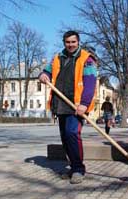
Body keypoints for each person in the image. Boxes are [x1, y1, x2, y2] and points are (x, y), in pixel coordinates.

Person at [38, 30, 97, 184]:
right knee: (65, 138)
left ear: (78, 42)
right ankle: (72, 168)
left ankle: (78, 169)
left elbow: (90, 84)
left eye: (73, 42)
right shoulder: (57, 58)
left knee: (72, 134)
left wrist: (84, 104)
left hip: (76, 105)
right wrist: (44, 75)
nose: (70, 45)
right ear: (64, 42)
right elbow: (47, 72)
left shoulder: (87, 59)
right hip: (60, 104)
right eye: (67, 42)